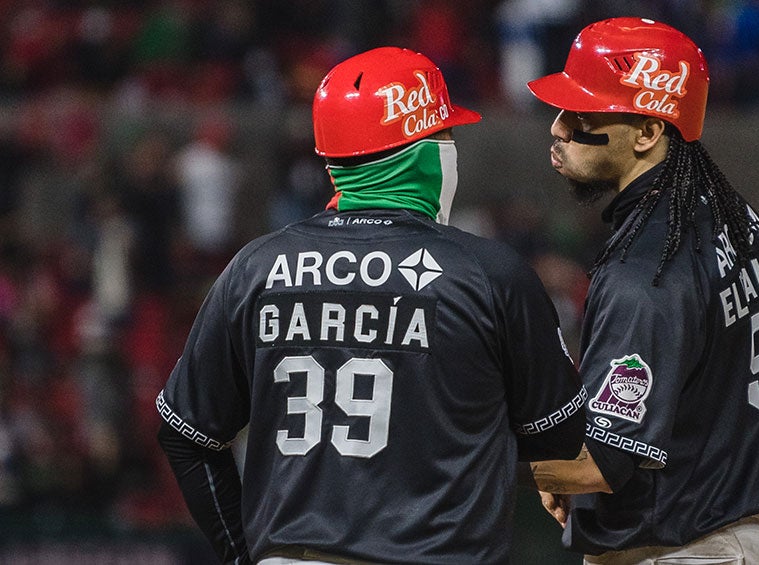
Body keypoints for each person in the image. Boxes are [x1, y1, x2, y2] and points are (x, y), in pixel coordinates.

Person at [156, 46, 587, 565]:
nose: (451, 147)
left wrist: (241, 553)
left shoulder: (256, 267)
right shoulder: (488, 273)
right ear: (418, 151)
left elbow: (186, 433)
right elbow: (561, 437)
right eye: (444, 135)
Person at [524, 17, 759, 564]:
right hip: (745, 534)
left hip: (680, 549)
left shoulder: (645, 273)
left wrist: (475, 445)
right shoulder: (734, 217)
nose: (558, 126)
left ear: (648, 133)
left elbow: (595, 464)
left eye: (584, 112)